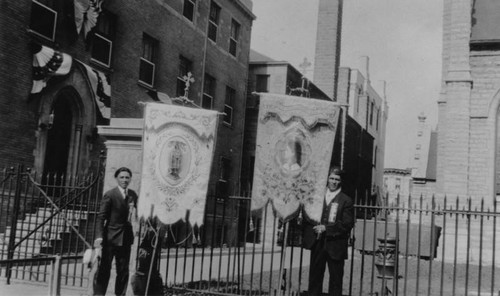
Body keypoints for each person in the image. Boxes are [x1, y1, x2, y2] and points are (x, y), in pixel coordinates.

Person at [303, 167, 355, 296]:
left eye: (337, 179)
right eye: (331, 178)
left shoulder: (346, 200)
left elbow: (347, 224)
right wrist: (315, 225)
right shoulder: (317, 196)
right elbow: (307, 213)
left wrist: (326, 228)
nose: (334, 182)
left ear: (341, 181)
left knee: (336, 281)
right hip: (318, 243)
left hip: (336, 245)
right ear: (327, 179)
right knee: (315, 278)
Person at [93, 167, 138, 296]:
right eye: (122, 177)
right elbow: (101, 217)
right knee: (104, 270)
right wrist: (99, 237)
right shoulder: (110, 194)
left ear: (130, 179)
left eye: (127, 177)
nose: (124, 180)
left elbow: (139, 212)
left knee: (123, 271)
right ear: (117, 179)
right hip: (110, 238)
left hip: (125, 239)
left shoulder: (133, 195)